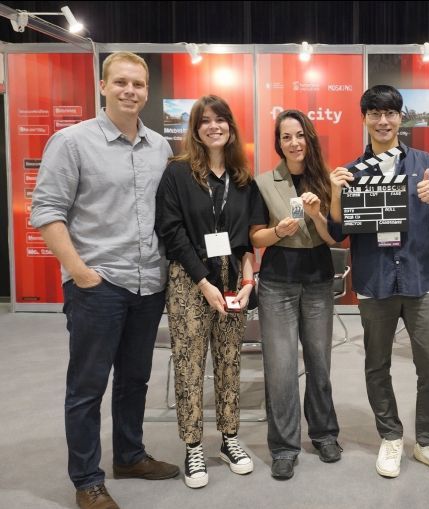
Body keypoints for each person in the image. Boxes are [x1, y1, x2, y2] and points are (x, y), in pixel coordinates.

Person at [30, 51, 179, 509]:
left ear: (147, 91)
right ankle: (87, 480)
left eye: (138, 84)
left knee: (135, 380)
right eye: (121, 82)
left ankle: (130, 456)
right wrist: (79, 272)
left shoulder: (160, 147)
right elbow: (46, 211)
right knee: (87, 387)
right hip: (98, 285)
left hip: (148, 285)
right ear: (102, 86)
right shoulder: (71, 142)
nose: (130, 91)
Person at [329, 85, 429, 480]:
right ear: (364, 119)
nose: (383, 121)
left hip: (423, 281)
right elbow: (338, 231)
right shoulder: (352, 173)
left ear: (401, 118)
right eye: (375, 113)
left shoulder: (426, 164)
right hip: (375, 283)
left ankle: (428, 442)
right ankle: (390, 436)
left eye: (390, 113)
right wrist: (336, 192)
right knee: (377, 366)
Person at [155, 95, 260, 488]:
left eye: (220, 120)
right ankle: (193, 445)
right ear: (196, 129)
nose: (214, 126)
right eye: (205, 121)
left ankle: (229, 439)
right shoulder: (177, 173)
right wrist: (203, 281)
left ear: (230, 126)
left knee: (230, 360)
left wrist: (248, 281)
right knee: (189, 364)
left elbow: (248, 240)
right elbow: (171, 231)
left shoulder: (243, 179)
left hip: (232, 281)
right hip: (189, 279)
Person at [250, 109, 342, 480]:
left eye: (300, 135)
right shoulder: (263, 182)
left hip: (318, 280)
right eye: (286, 136)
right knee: (281, 368)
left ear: (310, 137)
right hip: (277, 283)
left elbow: (334, 237)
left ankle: (324, 434)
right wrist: (278, 232)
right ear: (278, 142)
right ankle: (284, 447)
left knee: (319, 362)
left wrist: (317, 215)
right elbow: (256, 237)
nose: (294, 143)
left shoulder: (327, 179)